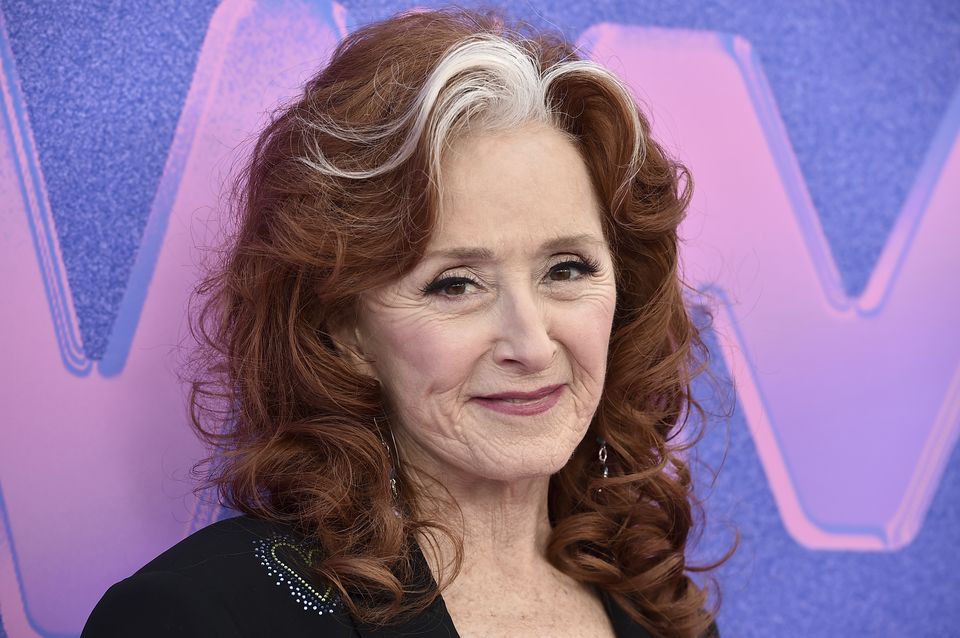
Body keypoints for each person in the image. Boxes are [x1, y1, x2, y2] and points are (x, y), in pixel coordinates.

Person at [82, 6, 736, 637]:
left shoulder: (663, 610)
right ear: (345, 329)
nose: (532, 345)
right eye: (455, 284)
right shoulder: (202, 617)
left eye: (566, 269)